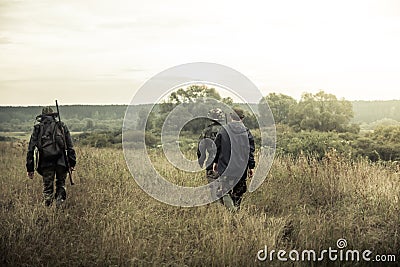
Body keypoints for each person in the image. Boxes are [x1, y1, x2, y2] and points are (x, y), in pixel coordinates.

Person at [26, 106, 76, 207]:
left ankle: (48, 210)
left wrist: (30, 168)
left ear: (42, 116)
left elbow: (30, 149)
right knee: (61, 185)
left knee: (48, 189)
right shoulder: (61, 126)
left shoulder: (38, 128)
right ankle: (59, 208)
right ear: (53, 115)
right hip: (62, 162)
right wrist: (72, 163)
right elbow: (70, 147)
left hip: (46, 163)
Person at [213, 107, 255, 211]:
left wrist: (215, 161)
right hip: (241, 169)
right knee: (238, 193)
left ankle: (232, 211)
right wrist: (251, 167)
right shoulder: (247, 132)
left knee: (223, 191)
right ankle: (236, 213)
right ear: (242, 118)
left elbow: (216, 148)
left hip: (225, 167)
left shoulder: (223, 130)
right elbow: (250, 151)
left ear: (231, 117)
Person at [197, 108, 224, 201]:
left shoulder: (206, 131)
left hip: (211, 161)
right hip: (227, 161)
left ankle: (218, 207)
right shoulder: (227, 129)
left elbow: (201, 148)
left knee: (213, 188)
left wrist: (201, 160)